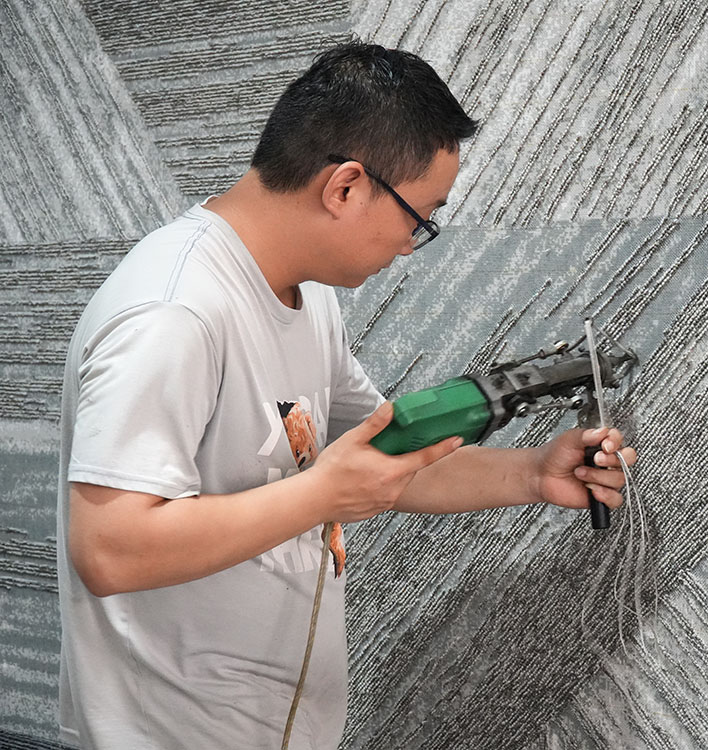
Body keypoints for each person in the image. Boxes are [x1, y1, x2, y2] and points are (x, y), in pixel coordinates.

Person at [56, 41, 636, 749]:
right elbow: (109, 551)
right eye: (419, 219)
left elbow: (380, 457)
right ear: (347, 187)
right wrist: (320, 495)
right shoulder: (173, 312)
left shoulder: (307, 296)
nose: (412, 242)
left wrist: (533, 473)